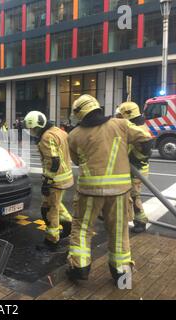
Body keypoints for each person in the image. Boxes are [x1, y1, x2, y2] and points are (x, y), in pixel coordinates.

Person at [67, 95, 153, 284]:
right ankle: (122, 275)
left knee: (82, 229)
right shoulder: (120, 125)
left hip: (88, 192)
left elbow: (76, 161)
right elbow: (146, 140)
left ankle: (79, 268)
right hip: (119, 191)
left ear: (80, 114)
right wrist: (136, 158)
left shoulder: (73, 135)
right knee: (119, 231)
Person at [23, 111, 74, 251]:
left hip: (56, 180)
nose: (33, 131)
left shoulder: (46, 137)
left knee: (49, 210)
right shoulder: (59, 131)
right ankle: (69, 224)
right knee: (55, 205)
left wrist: (48, 181)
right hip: (66, 176)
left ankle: (52, 241)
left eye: (33, 128)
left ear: (40, 125)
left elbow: (54, 161)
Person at [116, 101, 150, 233]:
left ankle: (140, 221)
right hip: (139, 168)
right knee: (134, 195)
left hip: (136, 169)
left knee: (135, 196)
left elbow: (137, 149)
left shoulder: (136, 129)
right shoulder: (140, 126)